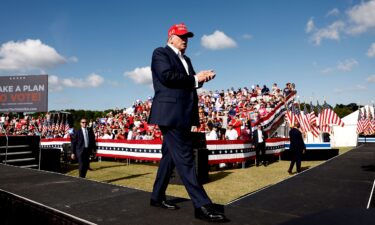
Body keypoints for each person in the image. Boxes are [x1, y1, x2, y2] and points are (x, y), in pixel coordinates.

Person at [148, 23, 226, 222]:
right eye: (181, 36)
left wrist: (201, 80)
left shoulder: (187, 59)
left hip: (182, 113)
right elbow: (167, 77)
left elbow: (187, 84)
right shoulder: (160, 53)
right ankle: (202, 205)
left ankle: (157, 197)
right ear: (170, 37)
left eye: (187, 37)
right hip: (169, 114)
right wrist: (195, 78)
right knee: (185, 158)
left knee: (170, 157)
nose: (185, 40)